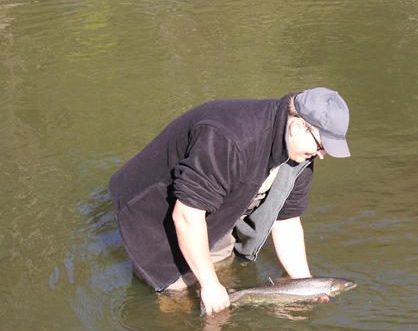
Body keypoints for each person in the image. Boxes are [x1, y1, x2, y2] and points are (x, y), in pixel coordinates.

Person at [109, 87, 351, 313]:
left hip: (215, 202)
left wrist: (306, 284)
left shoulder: (301, 154)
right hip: (154, 210)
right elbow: (186, 216)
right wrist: (210, 286)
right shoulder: (231, 138)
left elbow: (286, 221)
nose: (322, 155)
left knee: (221, 274)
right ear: (297, 127)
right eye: (322, 146)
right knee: (178, 303)